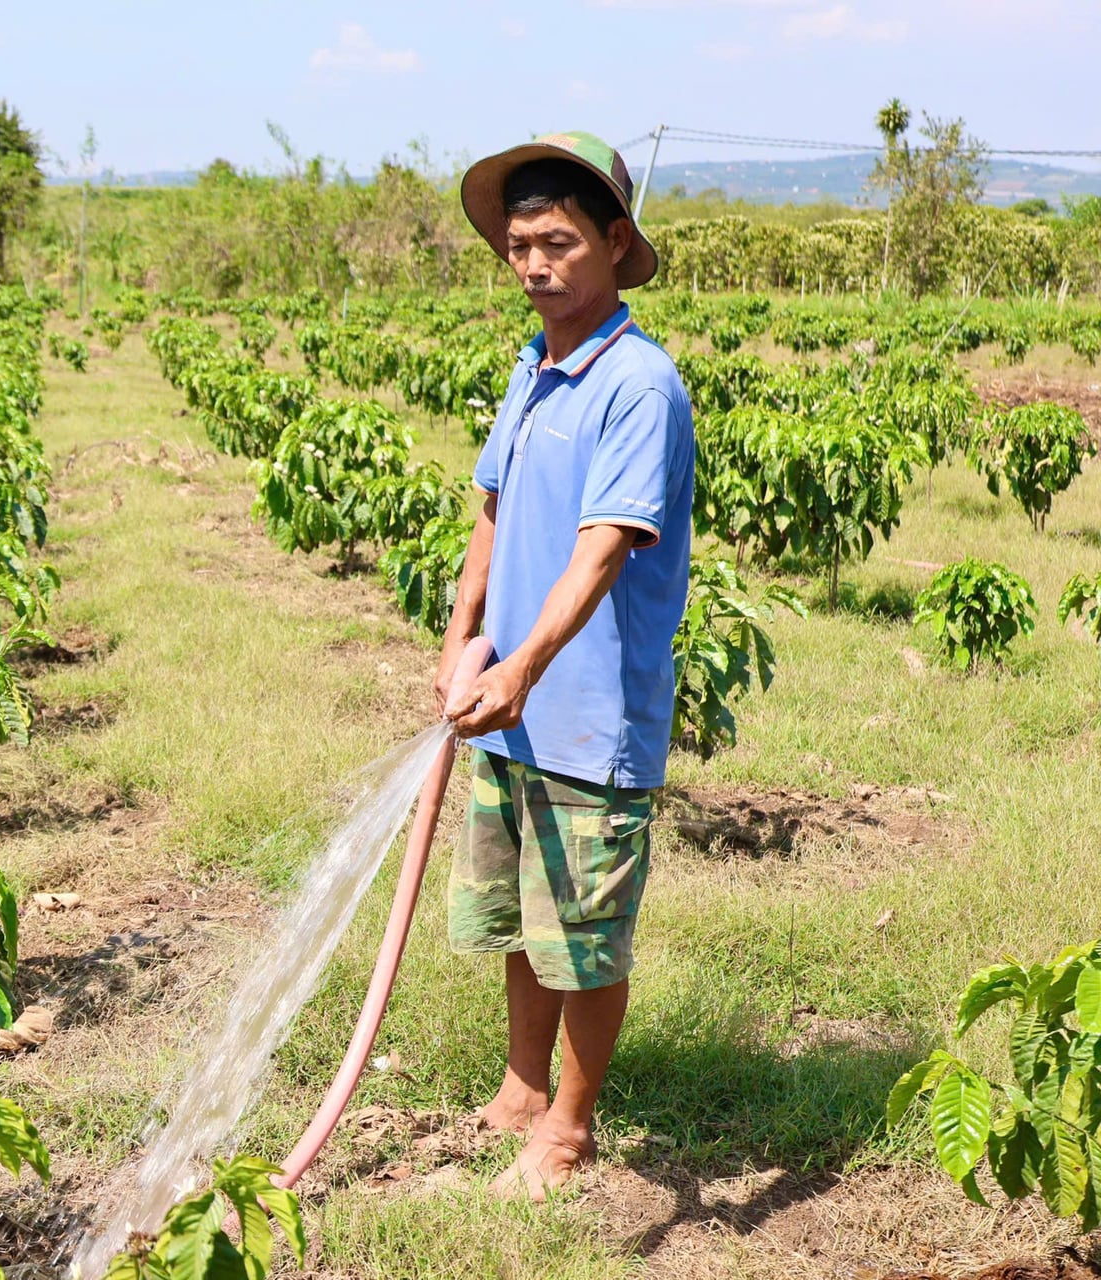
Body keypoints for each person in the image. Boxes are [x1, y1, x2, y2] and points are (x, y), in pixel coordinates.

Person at [435, 132, 695, 1199]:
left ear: (614, 242)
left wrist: (525, 665)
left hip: (588, 713)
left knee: (583, 931)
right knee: (519, 918)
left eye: (558, 243)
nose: (535, 266)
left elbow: (601, 547)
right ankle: (520, 1086)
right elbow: (492, 516)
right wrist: (461, 639)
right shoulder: (532, 369)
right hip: (514, 706)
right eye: (517, 247)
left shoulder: (640, 384)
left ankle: (570, 1131)